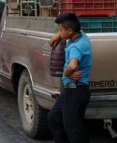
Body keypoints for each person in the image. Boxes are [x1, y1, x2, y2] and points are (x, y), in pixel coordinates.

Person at [47, 12, 92, 143]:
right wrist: (58, 35)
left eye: (60, 30)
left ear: (70, 30)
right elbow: (59, 36)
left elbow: (72, 65)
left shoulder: (75, 47)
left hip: (75, 90)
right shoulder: (81, 36)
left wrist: (67, 73)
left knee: (74, 129)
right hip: (71, 90)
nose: (59, 32)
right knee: (54, 118)